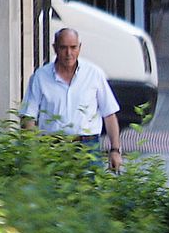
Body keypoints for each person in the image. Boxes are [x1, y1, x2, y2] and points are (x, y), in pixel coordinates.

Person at [20, 27, 124, 172]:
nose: (69, 53)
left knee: (90, 192)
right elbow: (28, 117)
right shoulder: (40, 77)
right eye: (63, 48)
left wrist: (115, 150)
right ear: (55, 48)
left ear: (79, 48)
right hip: (52, 148)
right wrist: (31, 155)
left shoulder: (94, 74)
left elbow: (109, 114)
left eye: (73, 47)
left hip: (88, 148)